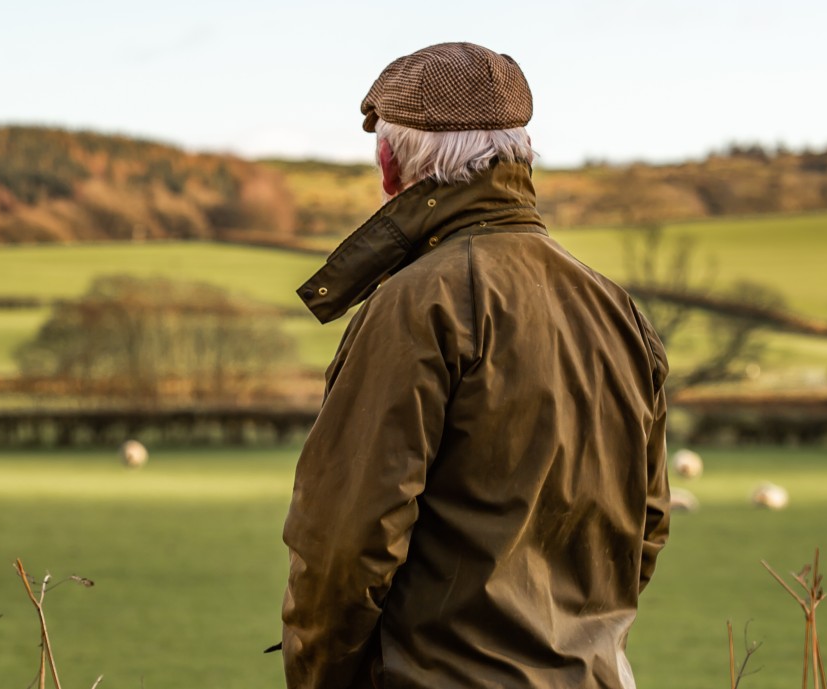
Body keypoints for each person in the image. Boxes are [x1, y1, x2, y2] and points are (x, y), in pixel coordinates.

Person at [281, 42, 671, 689]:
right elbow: (645, 526)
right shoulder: (616, 309)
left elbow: (345, 549)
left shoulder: (415, 304)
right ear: (519, 153)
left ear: (388, 164)